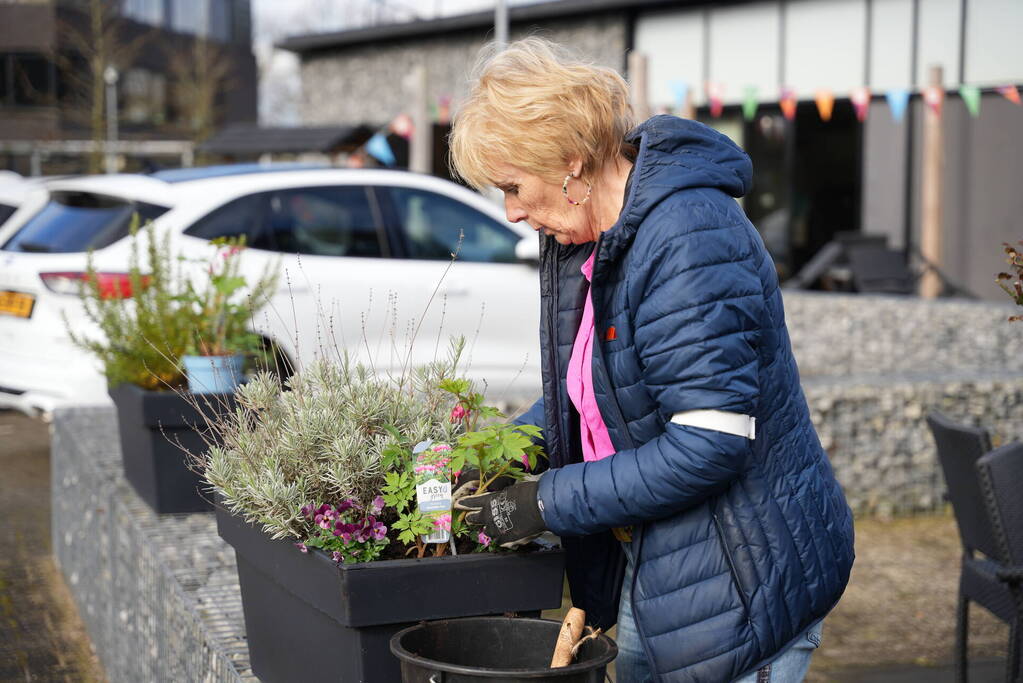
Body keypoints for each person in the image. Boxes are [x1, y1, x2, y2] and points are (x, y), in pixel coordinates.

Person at [451, 38, 854, 683]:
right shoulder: (595, 233)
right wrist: (495, 453)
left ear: (569, 163)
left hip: (740, 575)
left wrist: (543, 503)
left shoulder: (687, 236)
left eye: (512, 186)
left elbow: (709, 442)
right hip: (669, 560)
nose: (512, 211)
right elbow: (590, 394)